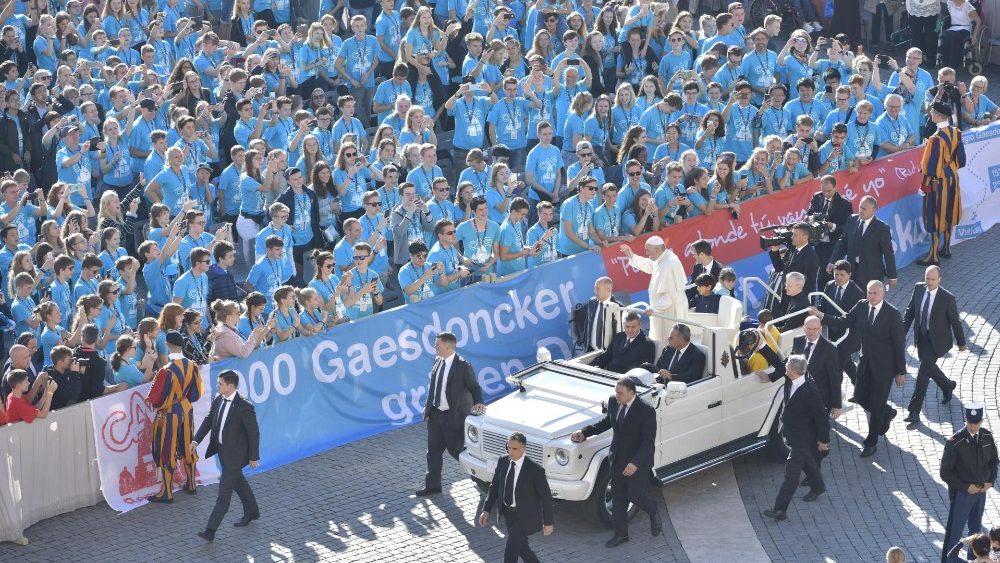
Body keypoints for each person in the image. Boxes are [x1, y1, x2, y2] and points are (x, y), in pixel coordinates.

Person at [809, 281, 905, 458]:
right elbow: (844, 321)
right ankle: (887, 412)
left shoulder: (892, 314)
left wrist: (900, 371)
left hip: (884, 367)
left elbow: (899, 344)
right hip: (865, 362)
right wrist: (821, 315)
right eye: (869, 293)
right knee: (860, 397)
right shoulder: (861, 306)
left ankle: (871, 441)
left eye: (875, 293)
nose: (872, 296)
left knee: (875, 405)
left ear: (883, 293)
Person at [571, 376, 661, 547]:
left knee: (635, 495)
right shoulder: (613, 401)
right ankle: (621, 535)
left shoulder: (646, 411)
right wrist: (584, 433)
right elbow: (606, 422)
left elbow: (647, 443)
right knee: (619, 498)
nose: (616, 395)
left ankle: (653, 509)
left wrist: (635, 463)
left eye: (620, 393)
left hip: (638, 461)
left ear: (631, 392)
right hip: (618, 459)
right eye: (616, 392)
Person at [192, 369, 261, 542]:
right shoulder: (218, 398)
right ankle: (253, 512)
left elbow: (254, 433)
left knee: (224, 495)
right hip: (222, 452)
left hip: (235, 457)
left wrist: (254, 457)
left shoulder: (245, 406)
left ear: (230, 386)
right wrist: (195, 441)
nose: (217, 386)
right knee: (240, 484)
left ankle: (210, 530)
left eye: (220, 384)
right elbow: (209, 420)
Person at [761, 355, 831, 521]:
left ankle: (780, 510)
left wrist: (823, 440)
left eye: (787, 366)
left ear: (792, 370)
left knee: (791, 474)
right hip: (793, 433)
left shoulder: (809, 390)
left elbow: (821, 417)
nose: (785, 367)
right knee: (807, 460)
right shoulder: (791, 378)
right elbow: (778, 362)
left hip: (803, 437)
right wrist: (761, 343)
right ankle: (818, 486)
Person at [416, 331, 485, 497]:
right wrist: (427, 409)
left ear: (447, 347)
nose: (434, 346)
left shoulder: (462, 366)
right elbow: (433, 388)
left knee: (457, 451)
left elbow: (475, 387)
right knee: (433, 452)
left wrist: (479, 403)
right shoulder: (437, 360)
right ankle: (433, 486)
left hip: (453, 417)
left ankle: (484, 480)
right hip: (436, 415)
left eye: (437, 344)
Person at [902, 266, 966, 425]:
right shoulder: (918, 289)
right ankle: (948, 385)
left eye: (933, 279)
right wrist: (900, 335)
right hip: (922, 338)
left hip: (938, 341)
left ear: (939, 279)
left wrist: (962, 342)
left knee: (923, 373)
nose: (929, 282)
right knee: (928, 367)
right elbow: (910, 312)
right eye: (927, 279)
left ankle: (914, 412)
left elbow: (955, 321)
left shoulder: (947, 297)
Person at [478, 432, 555, 563]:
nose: (510, 451)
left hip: (525, 517)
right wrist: (486, 510)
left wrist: (548, 522)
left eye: (514, 449)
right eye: (508, 447)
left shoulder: (535, 470)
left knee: (510, 552)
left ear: (524, 448)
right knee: (523, 549)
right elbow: (495, 487)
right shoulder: (502, 462)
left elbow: (546, 497)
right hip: (509, 515)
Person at [145, 330, 203, 503]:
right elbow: (196, 393)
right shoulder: (192, 365)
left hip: (169, 414)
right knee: (188, 445)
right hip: (186, 409)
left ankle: (167, 492)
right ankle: (191, 483)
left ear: (167, 345)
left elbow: (154, 398)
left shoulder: (165, 371)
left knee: (166, 450)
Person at [940, 403, 998, 563]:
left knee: (976, 532)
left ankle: (974, 559)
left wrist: (990, 482)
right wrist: (966, 487)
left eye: (977, 422)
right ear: (966, 420)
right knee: (955, 533)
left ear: (982, 420)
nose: (973, 426)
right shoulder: (955, 442)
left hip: (981, 493)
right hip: (962, 494)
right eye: (970, 422)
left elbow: (994, 462)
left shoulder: (987, 436)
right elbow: (945, 472)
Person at [918, 100, 966, 265]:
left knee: (934, 213)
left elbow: (931, 166)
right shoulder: (956, 132)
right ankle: (946, 248)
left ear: (938, 115)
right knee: (949, 211)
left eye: (932, 112)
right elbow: (962, 160)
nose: (931, 114)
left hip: (938, 181)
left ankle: (933, 255)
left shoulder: (936, 138)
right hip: (953, 177)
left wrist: (925, 184)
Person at [618, 235, 687, 346]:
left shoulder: (670, 262)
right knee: (659, 341)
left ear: (657, 249)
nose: (646, 253)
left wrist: (653, 309)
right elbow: (649, 265)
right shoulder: (661, 258)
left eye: (648, 250)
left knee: (668, 342)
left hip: (669, 312)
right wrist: (631, 255)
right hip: (660, 311)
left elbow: (670, 297)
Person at [827, 195, 898, 290]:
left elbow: (888, 254)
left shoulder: (882, 228)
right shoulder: (852, 220)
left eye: (864, 209)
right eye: (860, 207)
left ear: (873, 210)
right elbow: (843, 242)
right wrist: (833, 261)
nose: (861, 210)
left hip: (871, 273)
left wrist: (892, 276)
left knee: (866, 301)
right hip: (851, 270)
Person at [792, 316, 843, 419]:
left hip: (819, 399)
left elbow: (834, 379)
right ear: (804, 328)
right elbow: (791, 362)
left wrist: (836, 406)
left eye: (815, 329)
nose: (812, 332)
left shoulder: (830, 349)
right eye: (809, 329)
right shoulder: (798, 341)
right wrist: (771, 375)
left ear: (820, 329)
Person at [807, 176, 852, 288]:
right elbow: (808, 214)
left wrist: (833, 226)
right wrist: (811, 218)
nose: (826, 193)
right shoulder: (817, 197)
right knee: (815, 275)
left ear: (835, 187)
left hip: (834, 246)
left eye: (829, 190)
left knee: (825, 275)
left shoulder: (845, 204)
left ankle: (826, 301)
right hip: (818, 244)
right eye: (823, 190)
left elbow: (848, 228)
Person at [767, 222, 819, 301]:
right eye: (792, 234)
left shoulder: (810, 256)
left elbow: (809, 283)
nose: (791, 237)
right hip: (786, 298)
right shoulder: (791, 250)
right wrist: (775, 251)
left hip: (799, 302)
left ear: (805, 237)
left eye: (795, 235)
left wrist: (805, 305)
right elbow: (779, 268)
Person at [578, 277, 623, 354]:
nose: (594, 291)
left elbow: (620, 336)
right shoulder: (592, 302)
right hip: (590, 350)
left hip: (608, 354)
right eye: (595, 288)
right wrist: (585, 342)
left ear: (608, 290)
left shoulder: (618, 308)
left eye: (598, 289)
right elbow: (588, 323)